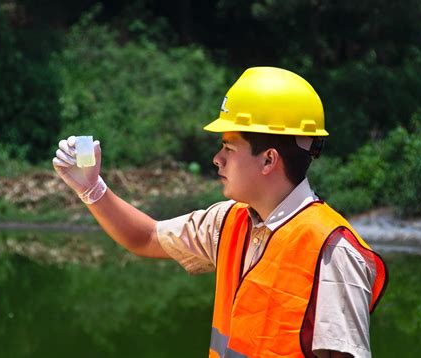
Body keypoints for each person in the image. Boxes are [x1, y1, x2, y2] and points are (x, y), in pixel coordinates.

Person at [53, 67, 387, 358]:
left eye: (228, 147)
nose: (217, 158)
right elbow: (147, 237)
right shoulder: (229, 221)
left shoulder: (333, 253)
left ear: (269, 159)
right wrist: (91, 188)